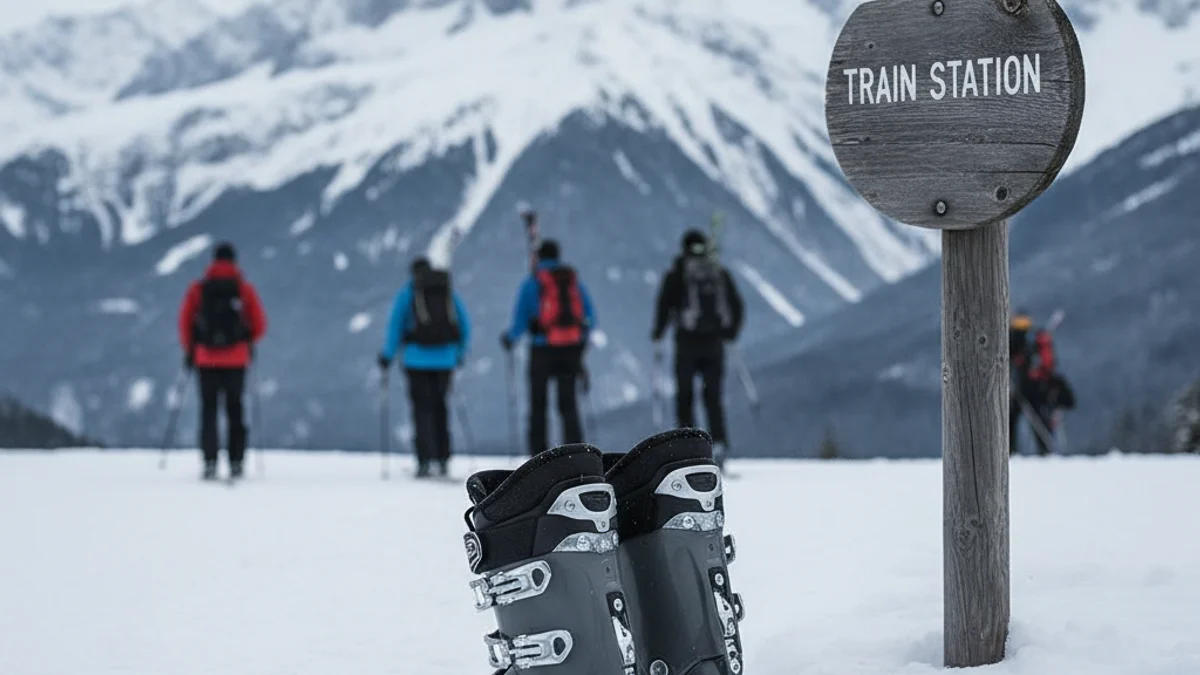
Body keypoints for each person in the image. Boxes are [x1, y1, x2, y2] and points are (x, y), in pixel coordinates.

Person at [651, 229, 744, 466]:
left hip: (686, 343)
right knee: (713, 396)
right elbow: (737, 305)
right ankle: (719, 444)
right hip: (715, 343)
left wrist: (658, 333)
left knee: (685, 395)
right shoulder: (718, 273)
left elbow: (664, 306)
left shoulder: (677, 274)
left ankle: (687, 446)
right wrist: (730, 333)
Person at [178, 242, 267, 481]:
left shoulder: (198, 289)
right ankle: (236, 461)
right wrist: (246, 341)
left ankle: (210, 461)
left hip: (205, 359)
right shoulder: (244, 289)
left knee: (209, 410)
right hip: (237, 359)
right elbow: (260, 325)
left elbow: (185, 322)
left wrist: (190, 350)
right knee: (235, 410)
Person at [501, 239, 596, 456]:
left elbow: (520, 319)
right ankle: (575, 453)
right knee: (568, 404)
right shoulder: (572, 281)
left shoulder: (532, 282)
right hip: (571, 349)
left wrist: (509, 339)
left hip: (542, 350)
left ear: (539, 257)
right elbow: (590, 315)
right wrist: (581, 342)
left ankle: (538, 455)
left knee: (538, 405)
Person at [378, 258, 472, 478]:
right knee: (441, 407)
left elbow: (395, 326)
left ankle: (424, 461)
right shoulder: (447, 293)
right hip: (446, 360)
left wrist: (387, 356)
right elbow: (464, 324)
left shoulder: (408, 293)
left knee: (422, 410)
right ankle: (443, 459)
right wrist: (458, 354)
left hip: (416, 361)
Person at [1009, 310, 1058, 456]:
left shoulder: (1020, 339)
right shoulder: (1034, 338)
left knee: (1014, 421)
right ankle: (1044, 451)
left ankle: (1011, 450)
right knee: (1034, 421)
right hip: (1031, 388)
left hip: (1022, 387)